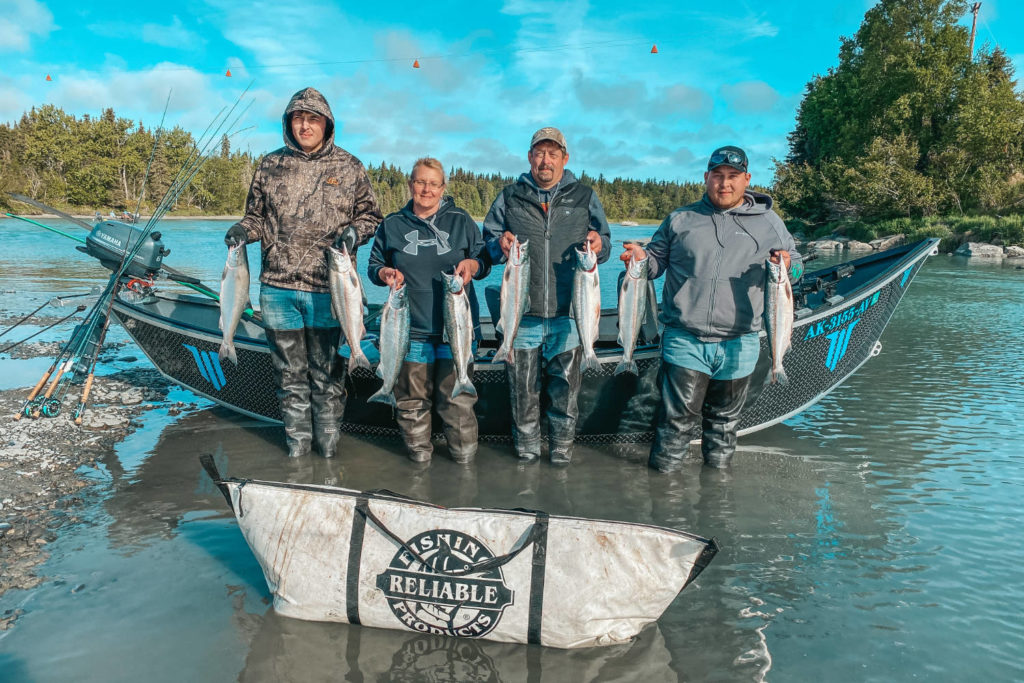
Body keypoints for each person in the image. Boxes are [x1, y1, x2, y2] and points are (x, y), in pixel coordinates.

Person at [224, 87, 383, 459]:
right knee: (289, 377)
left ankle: (327, 453)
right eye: (298, 118)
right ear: (288, 122)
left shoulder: (350, 166)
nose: (305, 125)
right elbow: (256, 219)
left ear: (326, 124)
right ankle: (298, 451)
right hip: (277, 290)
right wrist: (241, 232)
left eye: (313, 119)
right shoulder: (269, 165)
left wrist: (354, 232)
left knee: (328, 377)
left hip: (331, 292)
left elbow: (372, 217)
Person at [621, 145, 802, 471]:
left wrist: (789, 264)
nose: (724, 184)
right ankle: (663, 497)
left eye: (733, 177)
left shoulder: (769, 223)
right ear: (706, 177)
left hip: (740, 343)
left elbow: (797, 268)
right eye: (717, 176)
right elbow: (656, 262)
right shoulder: (681, 219)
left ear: (747, 179)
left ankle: (716, 501)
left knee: (723, 427)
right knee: (674, 423)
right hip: (685, 340)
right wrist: (639, 259)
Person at [483, 127, 611, 466]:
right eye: (539, 153)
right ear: (530, 157)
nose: (545, 160)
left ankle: (561, 453)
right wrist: (500, 244)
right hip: (522, 316)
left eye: (553, 154)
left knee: (565, 392)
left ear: (564, 159)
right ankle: (526, 453)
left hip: (570, 315)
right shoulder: (510, 196)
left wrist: (600, 244)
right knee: (522, 392)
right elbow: (489, 245)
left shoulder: (584, 196)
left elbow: (605, 242)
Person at [367, 157, 490, 464]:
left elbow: (484, 260)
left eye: (433, 183)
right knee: (411, 404)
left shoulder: (461, 221)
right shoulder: (392, 224)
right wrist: (384, 275)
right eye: (420, 182)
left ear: (442, 188)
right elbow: (374, 266)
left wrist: (473, 265)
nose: (426, 189)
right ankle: (419, 466)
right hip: (409, 331)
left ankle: (463, 465)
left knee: (458, 404)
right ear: (410, 185)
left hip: (457, 331)